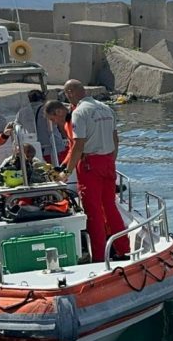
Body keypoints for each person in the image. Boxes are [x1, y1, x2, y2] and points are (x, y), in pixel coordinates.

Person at [55, 80, 128, 262]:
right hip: (108, 161)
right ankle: (123, 248)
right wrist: (111, 160)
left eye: (66, 94)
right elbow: (115, 139)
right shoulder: (106, 108)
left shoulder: (79, 113)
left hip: (90, 164)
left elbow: (78, 145)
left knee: (93, 212)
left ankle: (99, 255)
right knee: (111, 207)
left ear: (70, 92)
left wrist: (66, 171)